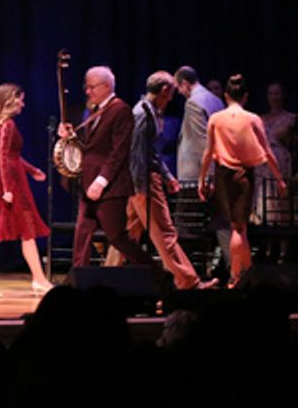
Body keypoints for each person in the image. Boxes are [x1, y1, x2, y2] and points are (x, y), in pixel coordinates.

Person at [105, 72, 214, 290]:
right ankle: (187, 282)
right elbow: (136, 153)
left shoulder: (148, 111)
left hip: (140, 180)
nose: (172, 98)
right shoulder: (143, 113)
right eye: (171, 92)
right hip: (143, 181)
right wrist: (140, 188)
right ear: (164, 90)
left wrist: (168, 177)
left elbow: (150, 151)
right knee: (164, 233)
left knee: (125, 236)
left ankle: (107, 281)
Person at [198, 75, 287, 287]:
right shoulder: (253, 118)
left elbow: (208, 153)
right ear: (245, 97)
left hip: (223, 175)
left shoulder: (216, 119)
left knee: (238, 228)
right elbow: (267, 152)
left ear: (226, 95)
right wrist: (280, 179)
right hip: (244, 175)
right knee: (239, 228)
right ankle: (238, 276)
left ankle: (244, 274)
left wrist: (202, 179)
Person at [58, 66, 151, 268]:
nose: (87, 91)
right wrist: (70, 136)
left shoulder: (120, 110)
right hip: (88, 183)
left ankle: (158, 275)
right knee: (82, 234)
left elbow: (119, 152)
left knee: (117, 237)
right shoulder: (97, 111)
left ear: (107, 86)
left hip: (109, 187)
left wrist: (101, 182)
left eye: (92, 87)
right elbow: (92, 147)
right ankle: (76, 282)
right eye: (87, 86)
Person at [0, 84, 52, 299]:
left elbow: (12, 157)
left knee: (21, 230)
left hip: (10, 179)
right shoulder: (6, 125)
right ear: (10, 100)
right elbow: (1, 157)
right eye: (20, 99)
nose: (23, 104)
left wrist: (32, 170)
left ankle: (37, 279)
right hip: (7, 182)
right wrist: (7, 188)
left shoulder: (3, 124)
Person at [175, 65, 232, 269]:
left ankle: (184, 277)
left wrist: (205, 177)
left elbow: (201, 143)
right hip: (217, 172)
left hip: (196, 177)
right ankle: (238, 272)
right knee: (222, 224)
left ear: (184, 84)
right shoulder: (215, 100)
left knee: (186, 228)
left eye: (179, 88)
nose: (178, 93)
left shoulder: (193, 103)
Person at [255, 82, 295, 232]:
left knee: (281, 201)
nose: (274, 97)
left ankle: (283, 250)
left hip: (281, 161)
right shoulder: (260, 118)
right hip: (262, 162)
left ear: (283, 95)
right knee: (263, 200)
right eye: (271, 93)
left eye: (277, 93)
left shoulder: (291, 118)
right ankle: (267, 246)